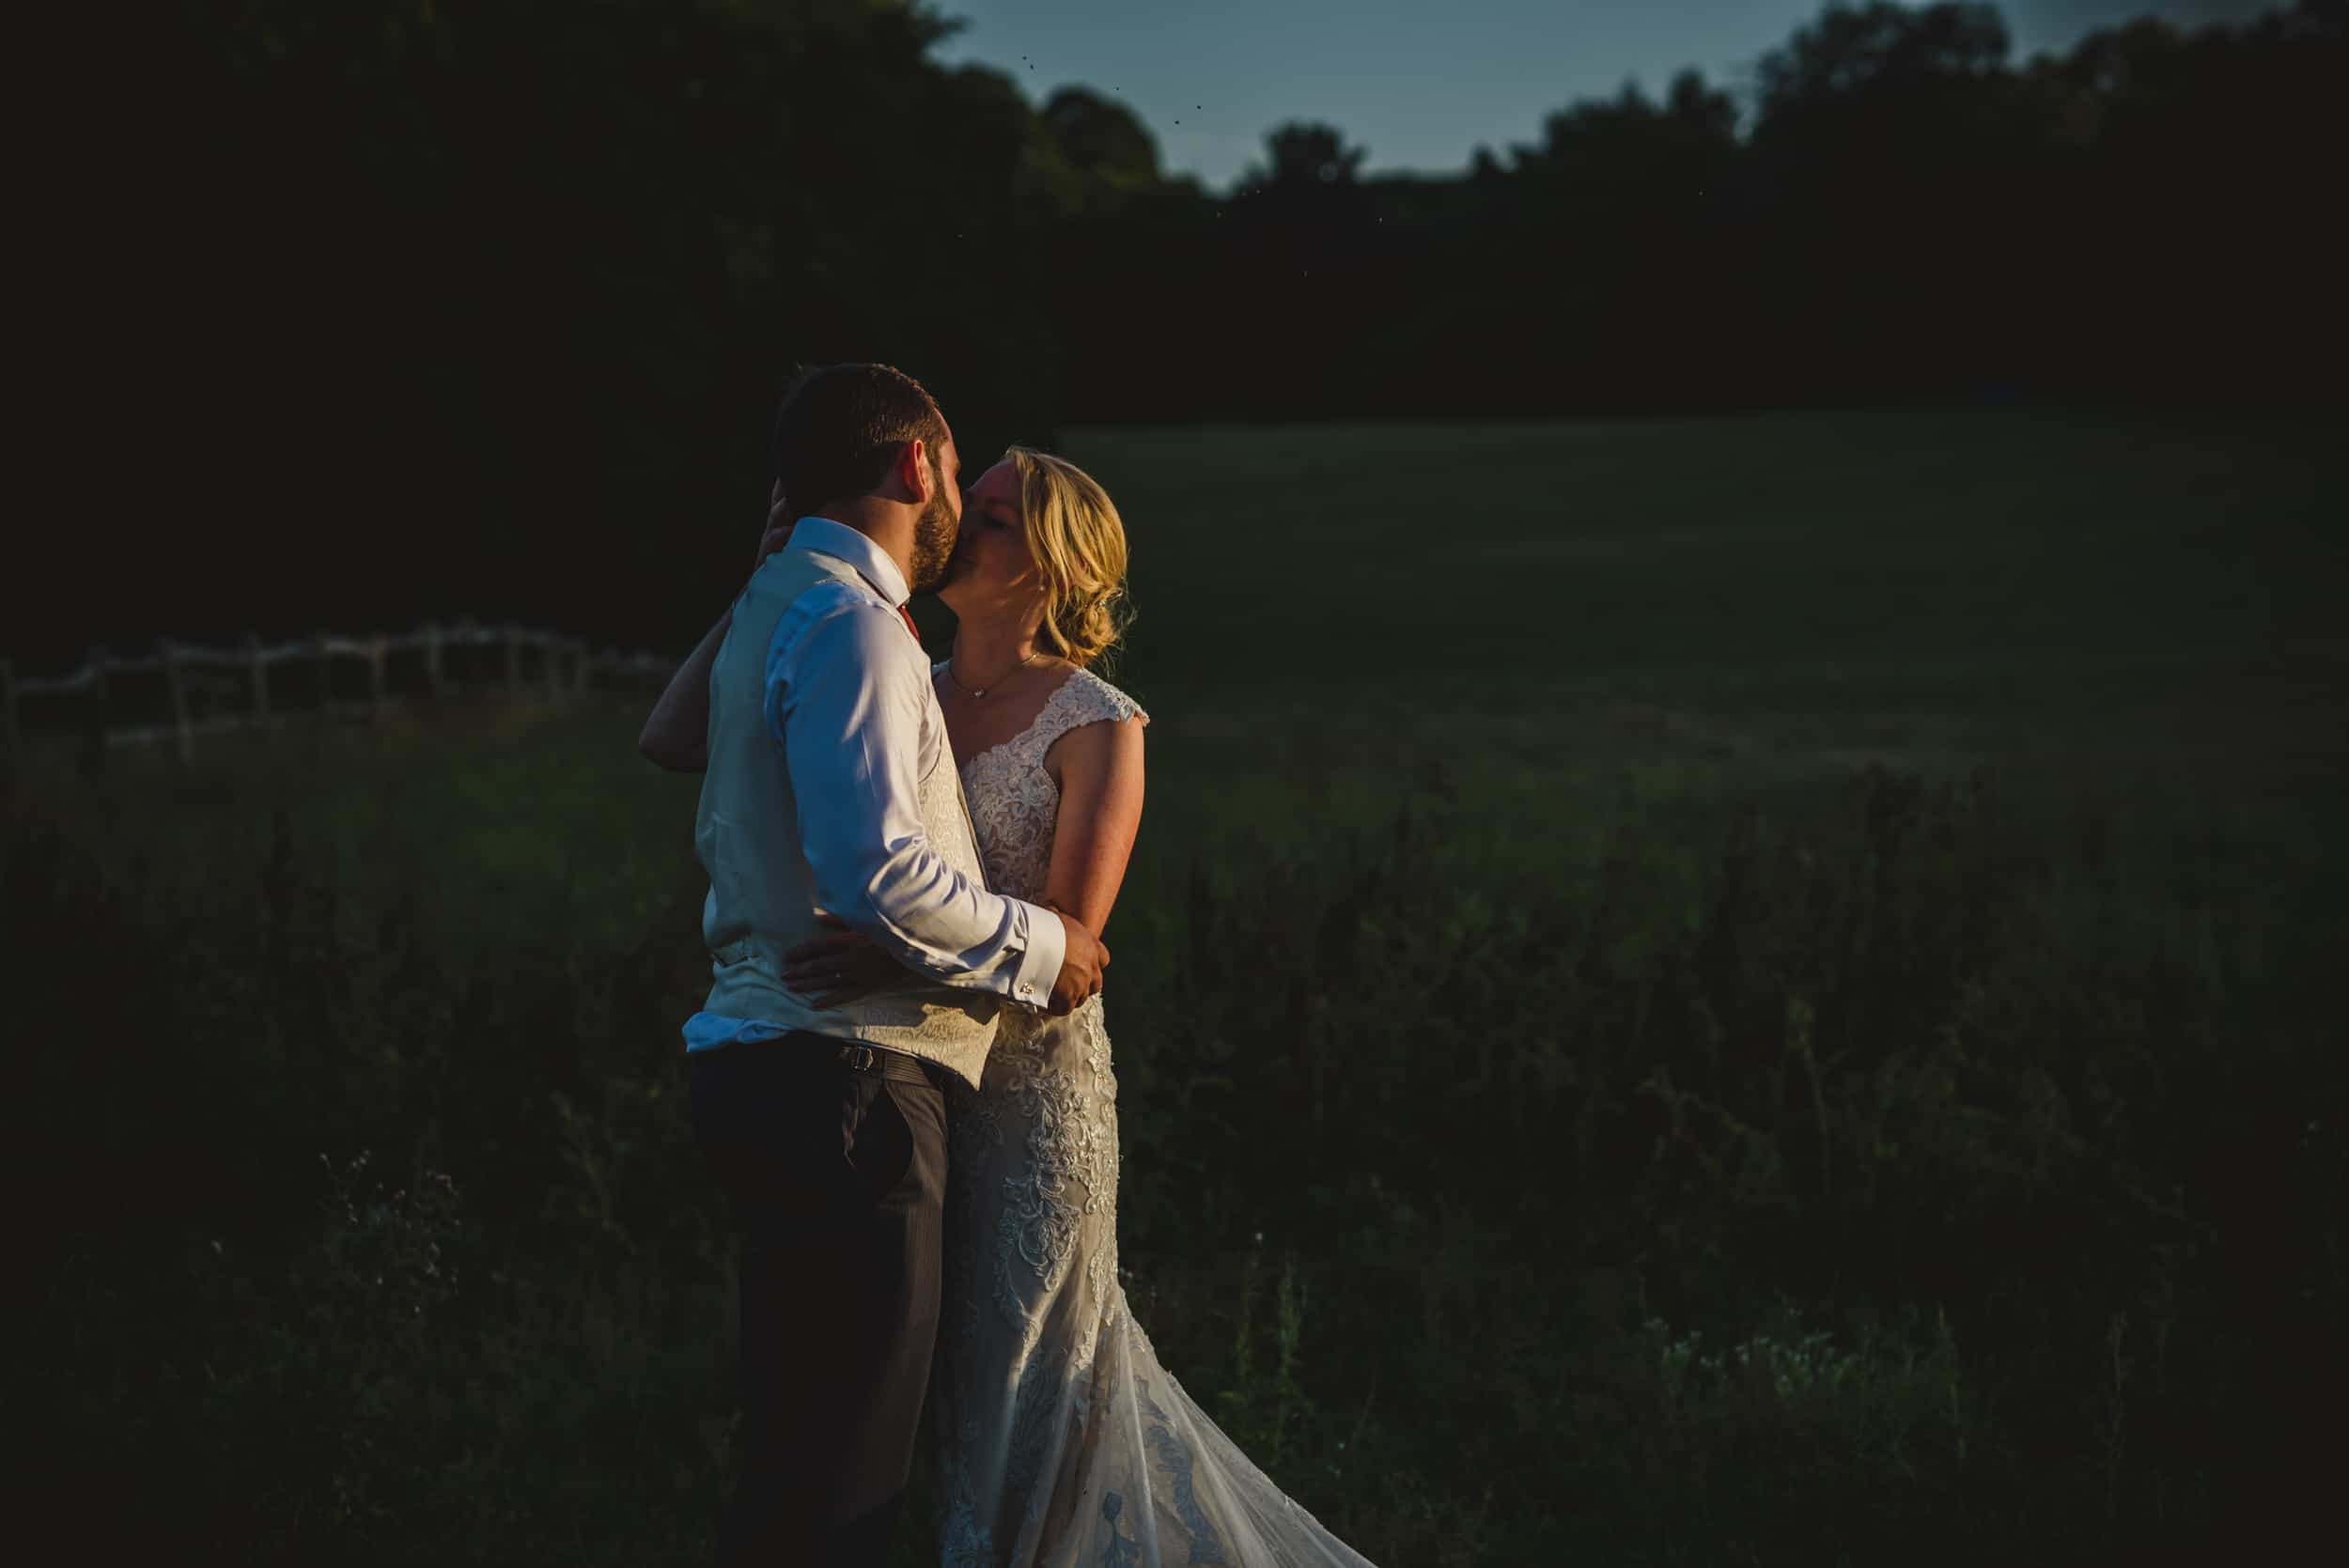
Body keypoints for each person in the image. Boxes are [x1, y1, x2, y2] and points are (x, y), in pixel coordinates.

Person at [776, 447, 1377, 1565]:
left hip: (1030, 1105)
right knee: (937, 1383)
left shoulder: (1097, 721)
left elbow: (1074, 946)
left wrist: (889, 964)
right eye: (965, 503)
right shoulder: (897, 676)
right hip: (901, 1082)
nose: (959, 527)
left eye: (993, 519)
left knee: (1025, 1377)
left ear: (1050, 566)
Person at [639, 362, 1111, 1567]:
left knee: (808, 1459)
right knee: (840, 1488)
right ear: (915, 467)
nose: (962, 500)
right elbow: (884, 879)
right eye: (961, 477)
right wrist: (1049, 947)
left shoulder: (821, 612)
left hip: (801, 1067)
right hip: (848, 1082)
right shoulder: (856, 626)